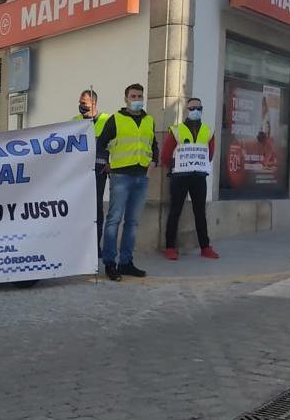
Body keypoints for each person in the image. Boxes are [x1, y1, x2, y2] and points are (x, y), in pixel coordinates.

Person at [97, 83, 158, 282]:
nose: (137, 99)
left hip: (141, 177)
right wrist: (106, 163)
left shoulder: (149, 120)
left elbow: (154, 144)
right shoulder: (116, 120)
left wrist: (154, 161)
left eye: (140, 96)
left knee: (132, 222)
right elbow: (101, 143)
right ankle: (110, 263)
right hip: (121, 176)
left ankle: (126, 262)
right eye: (133, 96)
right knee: (114, 219)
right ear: (126, 99)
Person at [161, 98, 220, 260]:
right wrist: (174, 168)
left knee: (200, 212)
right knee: (175, 211)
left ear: (202, 110)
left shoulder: (208, 131)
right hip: (179, 176)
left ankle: (205, 247)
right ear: (186, 110)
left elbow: (210, 154)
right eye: (192, 108)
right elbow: (165, 155)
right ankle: (170, 247)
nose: (195, 110)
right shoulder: (176, 130)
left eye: (198, 108)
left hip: (199, 176)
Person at [74, 89, 111, 248]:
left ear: (93, 103)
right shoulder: (75, 121)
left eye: (84, 103)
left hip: (99, 170)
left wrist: (111, 163)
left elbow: (115, 144)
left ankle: (95, 247)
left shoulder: (107, 120)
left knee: (96, 209)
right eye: (80, 102)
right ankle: (80, 245)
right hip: (79, 172)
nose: (80, 105)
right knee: (80, 209)